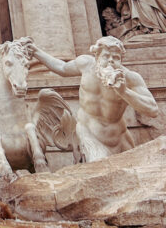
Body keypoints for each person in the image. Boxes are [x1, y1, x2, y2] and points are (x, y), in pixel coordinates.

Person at [26, 36, 158, 161]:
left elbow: (152, 110)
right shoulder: (86, 65)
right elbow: (62, 67)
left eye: (116, 57)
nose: (111, 60)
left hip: (119, 137)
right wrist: (36, 52)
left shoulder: (130, 78)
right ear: (97, 56)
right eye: (106, 56)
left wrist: (124, 91)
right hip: (89, 133)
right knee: (101, 171)